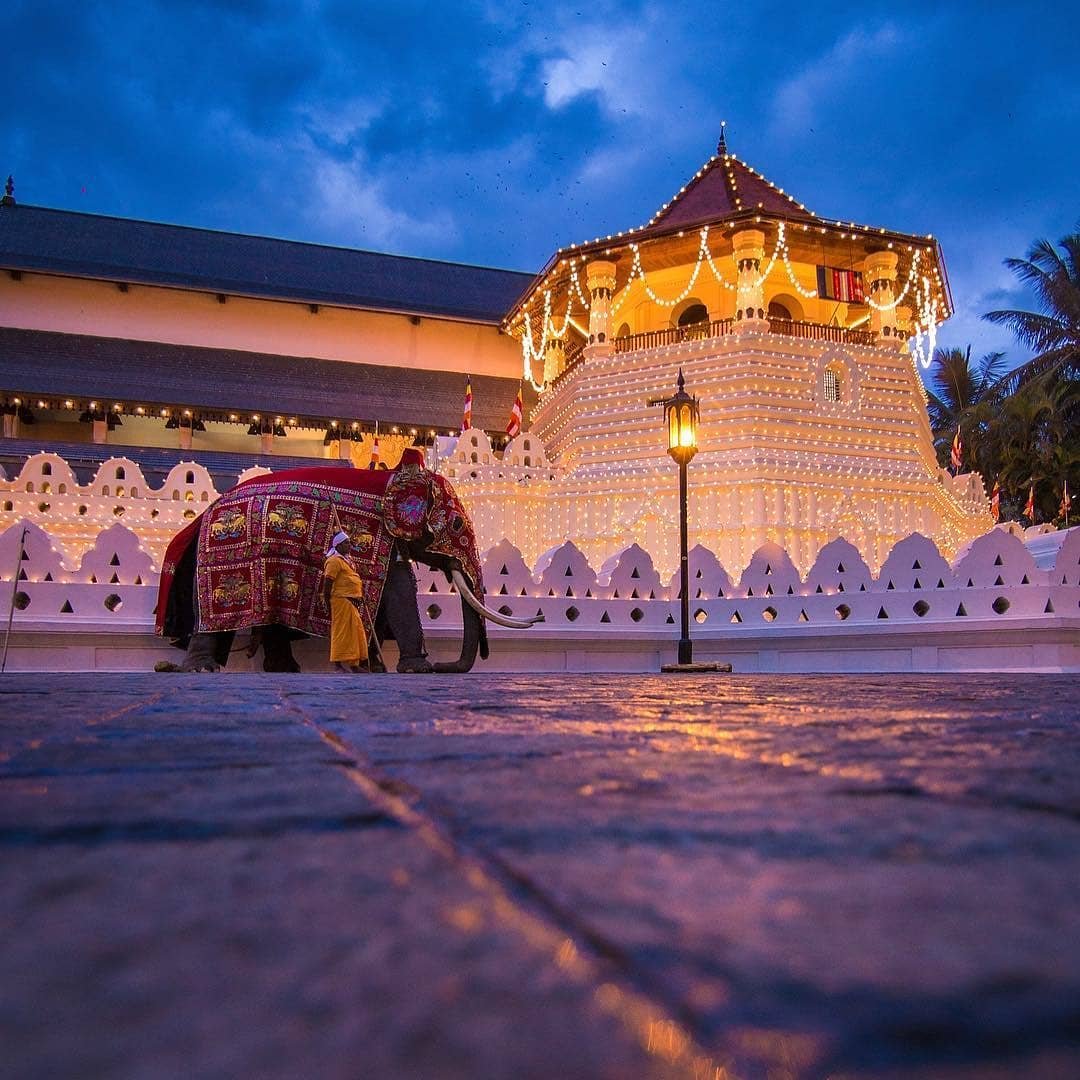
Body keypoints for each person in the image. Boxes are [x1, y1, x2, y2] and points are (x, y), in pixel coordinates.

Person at [322, 531, 369, 673]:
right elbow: (327, 584)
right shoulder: (334, 561)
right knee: (341, 633)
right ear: (338, 545)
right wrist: (327, 603)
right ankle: (337, 665)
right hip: (340, 601)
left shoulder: (347, 561)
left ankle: (354, 664)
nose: (350, 545)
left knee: (355, 633)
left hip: (352, 602)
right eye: (346, 543)